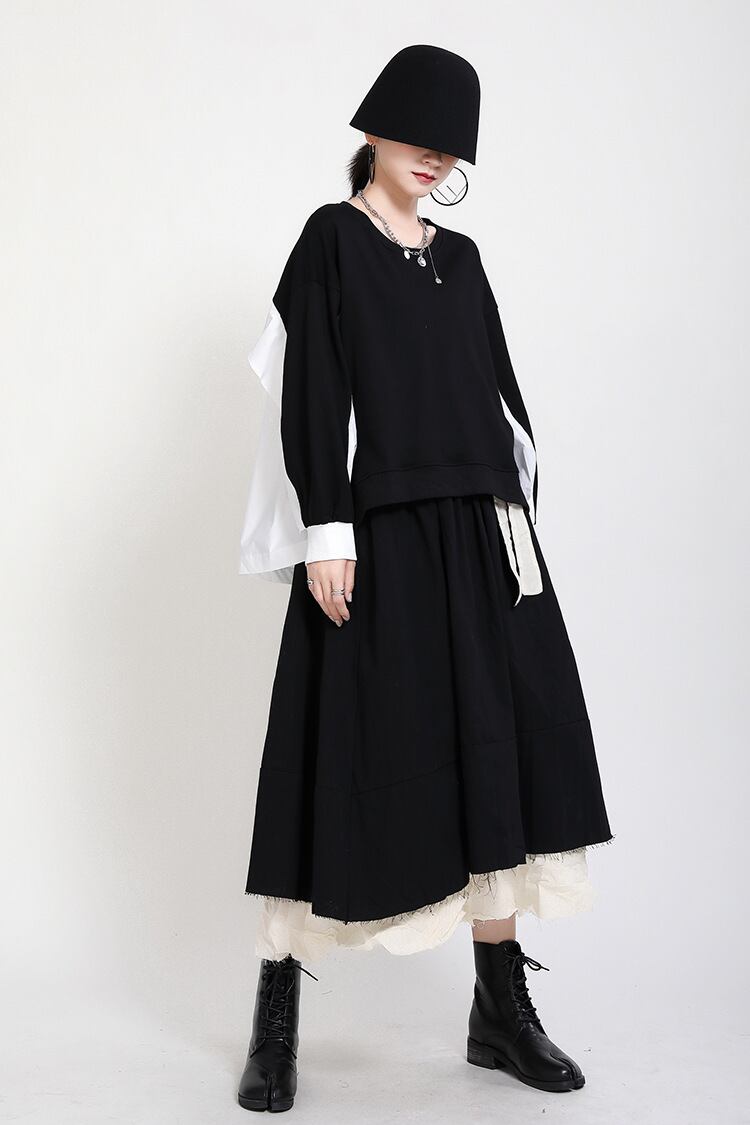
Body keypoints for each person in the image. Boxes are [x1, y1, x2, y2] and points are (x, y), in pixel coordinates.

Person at [235, 44, 614, 1113]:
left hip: (483, 534)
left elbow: (498, 395)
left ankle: (499, 1007)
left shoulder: (465, 258)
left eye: (453, 142)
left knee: (499, 758)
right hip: (382, 534)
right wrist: (327, 527)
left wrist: (518, 522)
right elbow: (312, 388)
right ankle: (275, 1011)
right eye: (418, 131)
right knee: (339, 751)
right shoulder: (332, 239)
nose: (435, 154)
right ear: (372, 128)